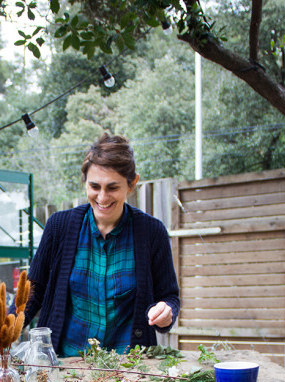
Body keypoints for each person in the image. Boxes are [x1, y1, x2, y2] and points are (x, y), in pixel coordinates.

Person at [23, 133, 180, 357]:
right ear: (85, 182)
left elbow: (170, 297)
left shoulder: (152, 233)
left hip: (130, 368)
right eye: (94, 186)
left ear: (132, 184)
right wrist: (9, 322)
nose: (103, 197)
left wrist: (166, 312)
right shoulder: (59, 226)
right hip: (68, 364)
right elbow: (33, 290)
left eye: (112, 187)